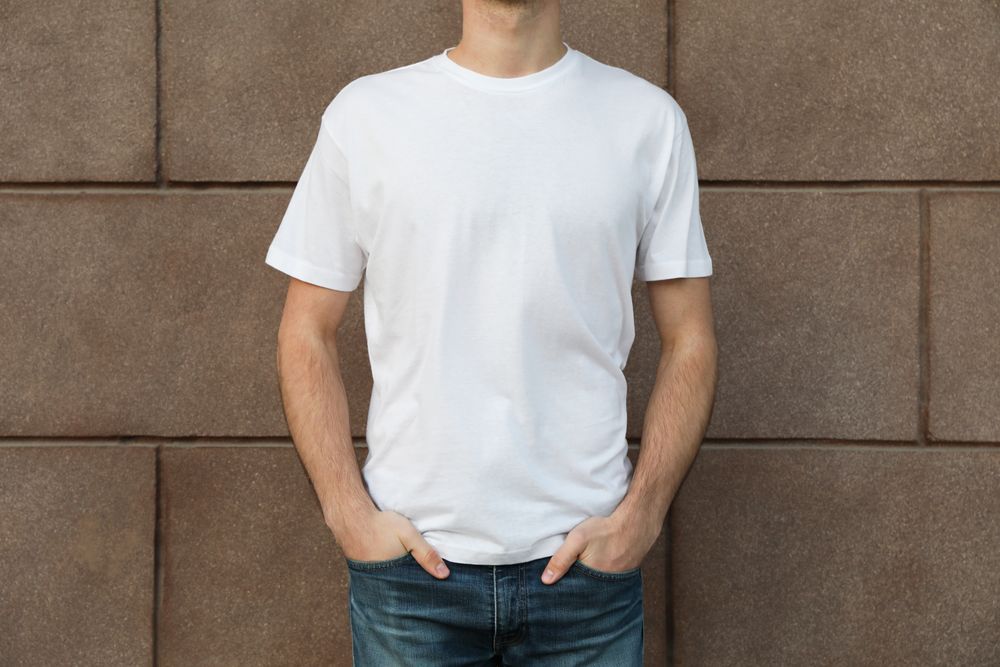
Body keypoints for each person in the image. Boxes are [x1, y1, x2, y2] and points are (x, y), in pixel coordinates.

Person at [264, 0, 717, 663]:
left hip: (586, 575)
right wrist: (347, 513)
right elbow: (305, 329)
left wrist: (640, 516)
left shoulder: (646, 121)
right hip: (411, 577)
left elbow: (691, 339)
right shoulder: (366, 118)